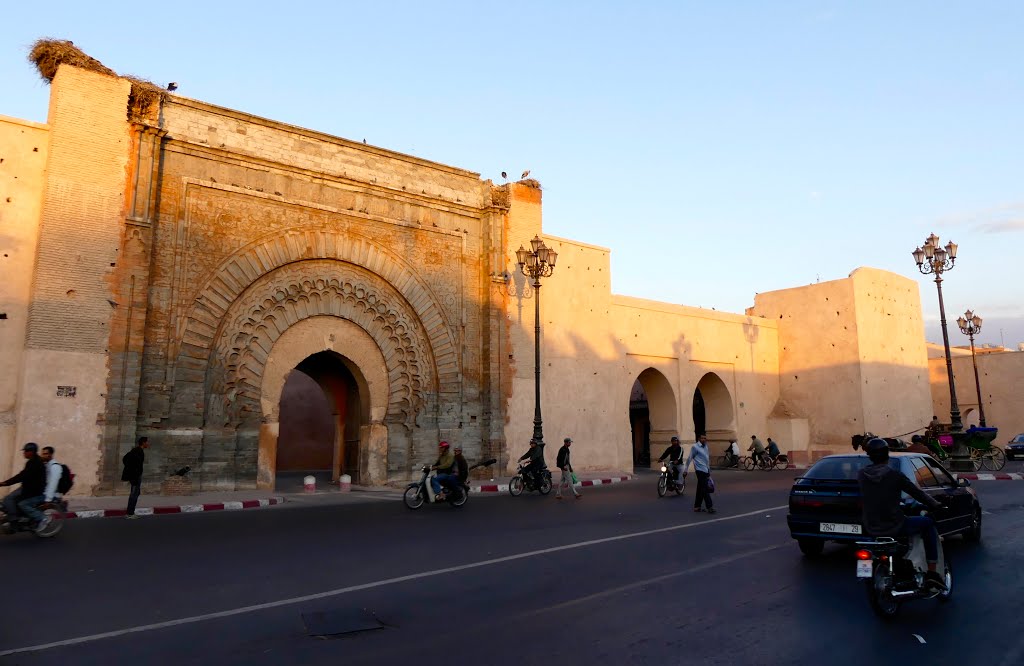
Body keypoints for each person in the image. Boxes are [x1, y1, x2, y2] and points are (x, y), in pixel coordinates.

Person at [857, 437, 945, 590]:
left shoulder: (862, 475)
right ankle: (931, 573)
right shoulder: (895, 475)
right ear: (887, 455)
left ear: (870, 456)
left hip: (870, 526)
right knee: (927, 523)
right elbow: (917, 493)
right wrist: (935, 504)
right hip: (894, 524)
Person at [1, 443, 47, 530]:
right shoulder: (31, 462)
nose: (24, 453)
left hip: (34, 492)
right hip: (27, 488)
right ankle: (16, 517)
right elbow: (22, 475)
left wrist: (5, 483)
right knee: (8, 499)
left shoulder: (36, 463)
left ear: (32, 452)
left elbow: (21, 476)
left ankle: (41, 519)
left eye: (26, 451)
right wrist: (5, 483)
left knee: (18, 502)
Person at [682, 434, 715, 514]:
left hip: (705, 470)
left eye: (705, 438)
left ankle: (697, 506)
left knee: (700, 488)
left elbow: (707, 459)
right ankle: (709, 507)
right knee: (704, 488)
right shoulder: (695, 447)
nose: (704, 439)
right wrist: (686, 470)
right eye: (702, 438)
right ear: (699, 439)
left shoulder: (706, 447)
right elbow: (690, 458)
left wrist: (709, 471)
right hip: (699, 470)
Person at [122, 436, 149, 519]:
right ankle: (130, 513)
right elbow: (135, 464)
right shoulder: (138, 451)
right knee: (134, 494)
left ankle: (130, 513)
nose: (148, 444)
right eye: (147, 442)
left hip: (134, 476)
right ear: (143, 443)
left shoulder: (135, 450)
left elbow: (125, 459)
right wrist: (133, 473)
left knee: (135, 493)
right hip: (135, 476)